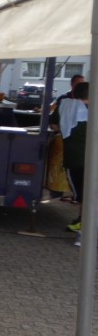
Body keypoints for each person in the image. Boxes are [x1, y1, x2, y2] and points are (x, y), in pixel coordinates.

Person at [60, 80, 89, 238]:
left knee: (82, 193)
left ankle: (84, 222)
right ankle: (84, 222)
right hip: (88, 159)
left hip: (75, 159)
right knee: (87, 193)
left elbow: (54, 125)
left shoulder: (65, 106)